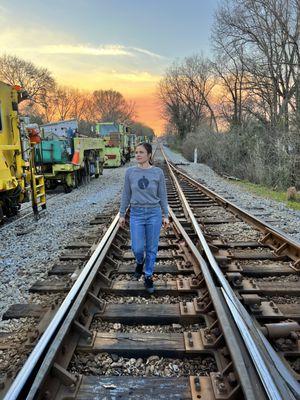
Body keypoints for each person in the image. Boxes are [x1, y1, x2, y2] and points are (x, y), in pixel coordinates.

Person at [119, 142, 169, 293]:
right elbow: (126, 194)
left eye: (141, 152)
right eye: (136, 152)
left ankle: (148, 276)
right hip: (136, 214)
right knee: (137, 247)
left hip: (154, 213)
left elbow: (162, 195)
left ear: (148, 155)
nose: (138, 155)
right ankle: (139, 262)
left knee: (152, 248)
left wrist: (165, 215)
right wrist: (122, 214)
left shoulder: (158, 172)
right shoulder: (130, 172)